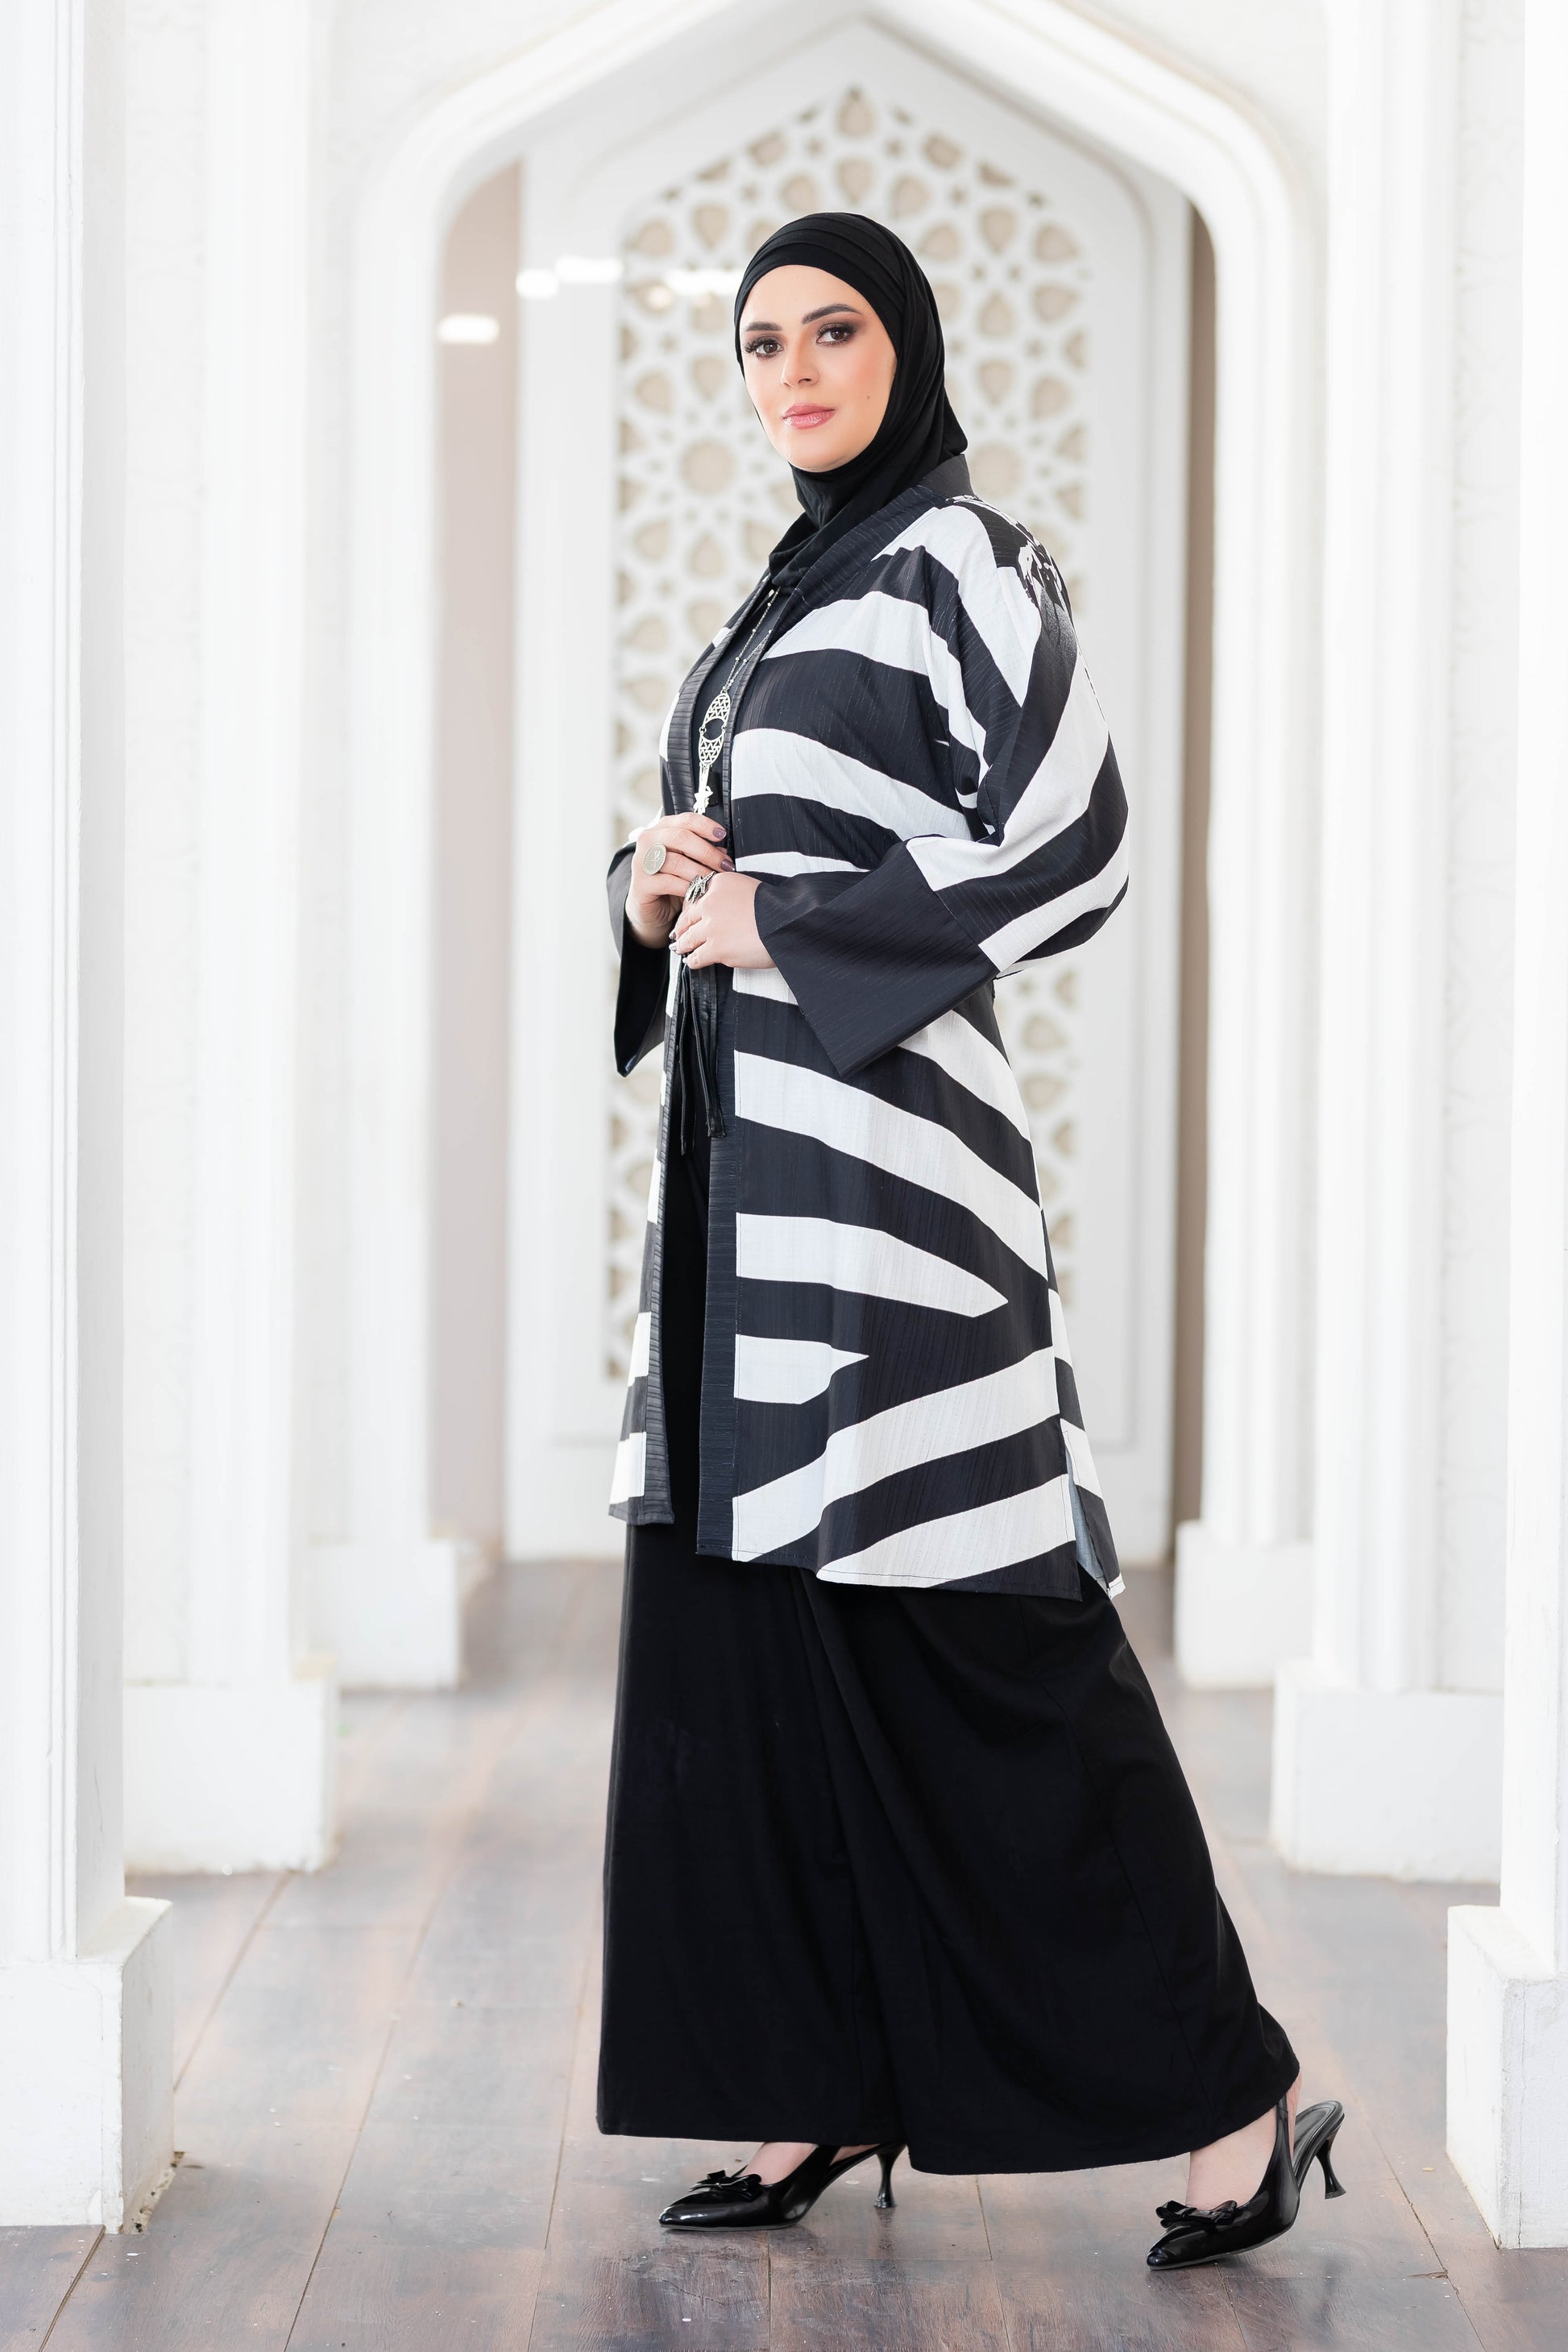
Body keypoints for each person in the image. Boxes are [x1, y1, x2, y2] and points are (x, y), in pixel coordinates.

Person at [596, 212, 1343, 2271]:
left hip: (896, 1213)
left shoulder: (964, 564)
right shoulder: (774, 596)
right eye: (760, 343)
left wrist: (791, 917)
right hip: (740, 1211)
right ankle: (808, 2081)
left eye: (831, 332)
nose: (793, 371)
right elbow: (750, 873)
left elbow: (1074, 845)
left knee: (996, 1654)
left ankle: (1235, 2098)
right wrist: (652, 886)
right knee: (761, 1664)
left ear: (904, 347)